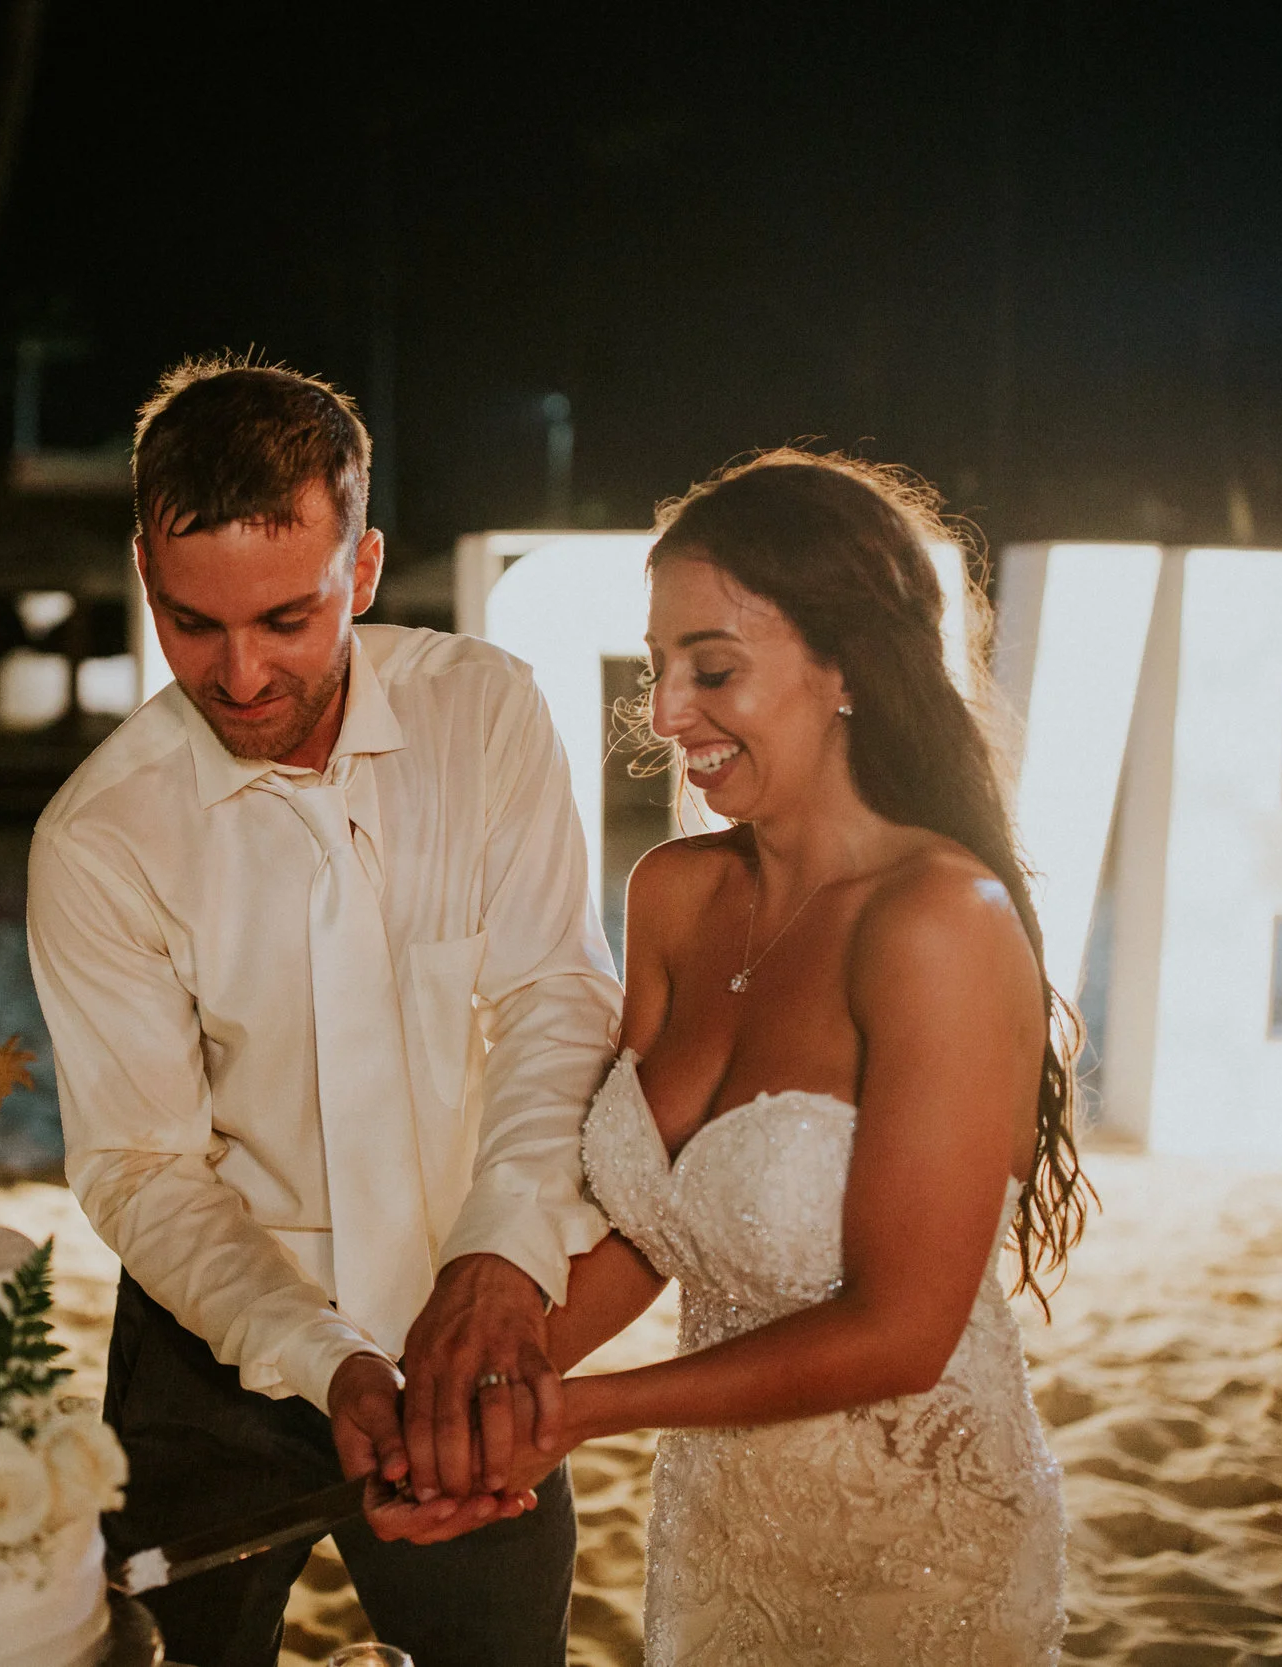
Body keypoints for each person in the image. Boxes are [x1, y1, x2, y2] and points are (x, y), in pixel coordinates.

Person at [26, 356, 619, 1667]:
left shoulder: (491, 713)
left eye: (287, 618)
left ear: (362, 567)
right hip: (211, 1348)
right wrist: (324, 1354)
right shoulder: (97, 836)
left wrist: (501, 1261)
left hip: (477, 1333)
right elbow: (139, 1165)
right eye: (194, 623)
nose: (238, 674)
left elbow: (557, 1000)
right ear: (145, 571)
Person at [457, 451, 1086, 1664]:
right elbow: (652, 1231)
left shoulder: (939, 921)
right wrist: (492, 1394)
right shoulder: (676, 894)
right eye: (657, 668)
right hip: (718, 1537)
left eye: (712, 668)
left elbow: (901, 1328)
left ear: (845, 664)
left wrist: (581, 1413)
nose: (666, 712)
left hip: (917, 1545)